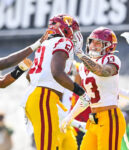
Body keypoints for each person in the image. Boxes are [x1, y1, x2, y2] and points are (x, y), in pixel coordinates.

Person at [23, 14, 90, 150]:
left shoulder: (46, 44)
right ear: (65, 29)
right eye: (74, 30)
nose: (75, 34)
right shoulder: (64, 42)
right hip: (43, 98)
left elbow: (30, 76)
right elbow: (57, 72)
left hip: (41, 98)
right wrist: (81, 92)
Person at [61, 27, 126, 150]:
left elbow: (102, 71)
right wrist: (70, 117)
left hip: (109, 118)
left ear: (109, 46)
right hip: (93, 120)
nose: (92, 45)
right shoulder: (83, 67)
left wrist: (81, 55)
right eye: (91, 41)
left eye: (98, 42)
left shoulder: (111, 59)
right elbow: (86, 98)